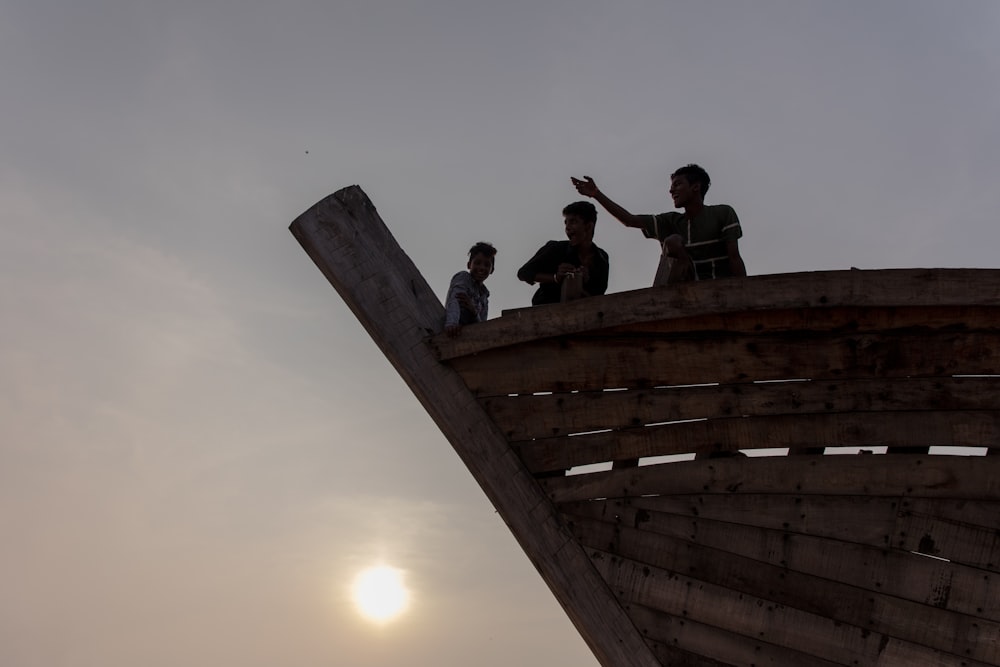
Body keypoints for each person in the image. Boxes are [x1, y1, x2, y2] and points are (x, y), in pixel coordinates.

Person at [571, 164, 746, 285]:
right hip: (686, 290)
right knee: (673, 241)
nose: (671, 190)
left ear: (696, 187)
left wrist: (743, 291)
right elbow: (629, 220)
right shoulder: (670, 221)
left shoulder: (722, 213)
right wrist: (596, 194)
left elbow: (734, 257)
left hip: (720, 287)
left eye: (678, 184)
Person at [516, 201, 610, 306]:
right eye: (566, 222)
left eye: (573, 222)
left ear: (588, 226)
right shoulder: (556, 249)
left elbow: (598, 297)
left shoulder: (601, 258)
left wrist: (583, 282)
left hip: (583, 315)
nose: (567, 227)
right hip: (546, 312)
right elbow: (523, 273)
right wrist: (556, 278)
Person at [444, 241, 496, 337]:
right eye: (477, 263)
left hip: (469, 338)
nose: (481, 268)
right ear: (469, 265)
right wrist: (451, 324)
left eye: (486, 265)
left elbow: (482, 325)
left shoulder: (484, 297)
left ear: (492, 270)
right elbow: (454, 301)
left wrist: (474, 311)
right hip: (454, 332)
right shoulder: (463, 278)